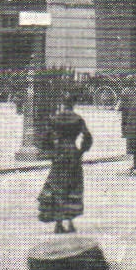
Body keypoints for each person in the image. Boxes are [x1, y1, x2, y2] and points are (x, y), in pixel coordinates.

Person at [38, 94, 94, 234]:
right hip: (73, 154)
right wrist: (81, 151)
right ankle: (70, 222)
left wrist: (51, 152)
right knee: (73, 186)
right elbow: (87, 137)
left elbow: (45, 138)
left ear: (62, 103)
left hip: (59, 154)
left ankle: (58, 223)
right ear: (73, 104)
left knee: (57, 186)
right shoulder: (78, 119)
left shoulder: (55, 119)